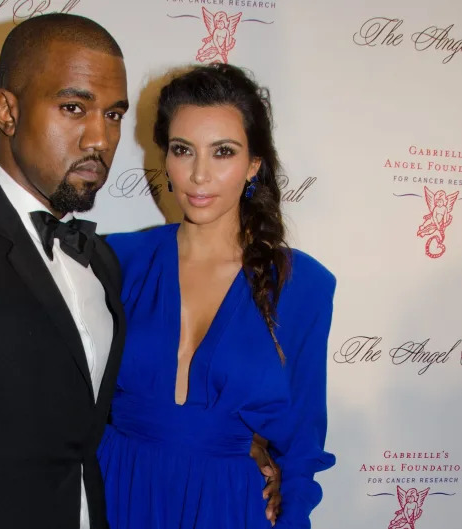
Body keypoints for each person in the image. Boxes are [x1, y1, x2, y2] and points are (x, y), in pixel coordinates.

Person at [0, 14, 280, 529]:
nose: (99, 137)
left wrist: (240, 445)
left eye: (114, 114)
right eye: (73, 108)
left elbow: (92, 419)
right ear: (7, 111)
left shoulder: (101, 262)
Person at [97, 63, 336, 529]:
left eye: (222, 152)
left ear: (253, 164)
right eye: (183, 150)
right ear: (165, 158)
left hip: (227, 508)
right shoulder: (116, 261)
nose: (199, 175)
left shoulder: (302, 285)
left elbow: (302, 447)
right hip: (114, 492)